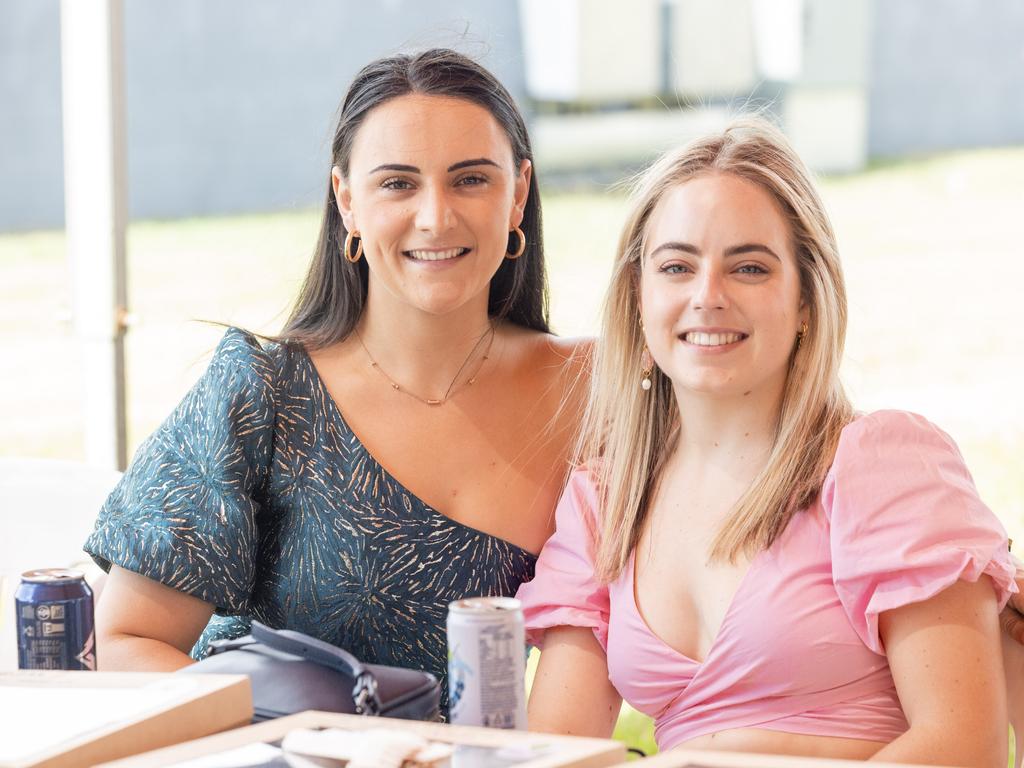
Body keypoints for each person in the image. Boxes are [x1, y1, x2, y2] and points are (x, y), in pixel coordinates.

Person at [83, 49, 586, 713]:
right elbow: (123, 643)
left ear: (518, 192)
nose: (436, 217)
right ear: (346, 200)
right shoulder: (264, 390)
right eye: (397, 184)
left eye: (470, 180)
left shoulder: (591, 391)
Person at [518, 117, 1018, 766]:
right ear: (639, 299)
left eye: (749, 267)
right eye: (676, 266)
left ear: (807, 301)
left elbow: (964, 749)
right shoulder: (606, 501)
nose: (708, 296)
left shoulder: (879, 464)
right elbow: (553, 751)